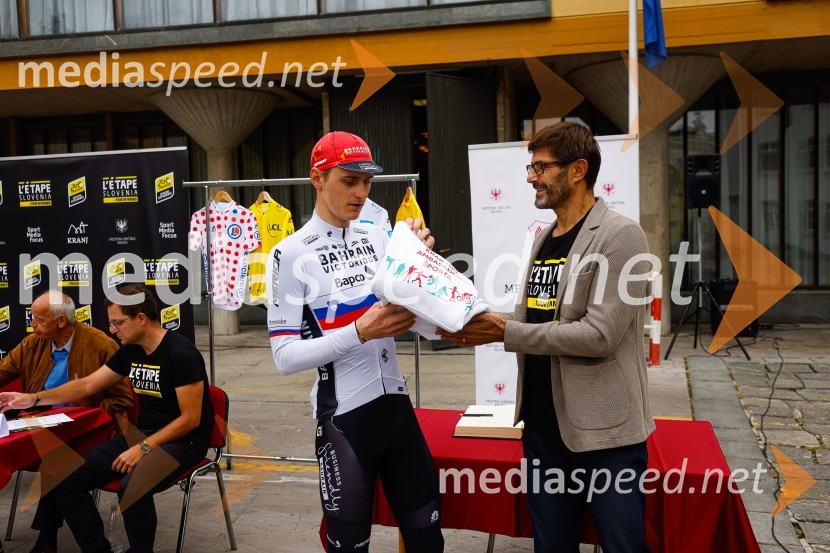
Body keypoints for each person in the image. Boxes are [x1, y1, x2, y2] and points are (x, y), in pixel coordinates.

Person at [438, 122, 655, 553]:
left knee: (622, 546)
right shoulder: (544, 238)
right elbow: (532, 317)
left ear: (577, 170)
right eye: (531, 166)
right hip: (542, 426)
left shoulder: (621, 235)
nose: (531, 176)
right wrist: (476, 323)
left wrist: (506, 330)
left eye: (541, 167)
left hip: (603, 434)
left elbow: (599, 335)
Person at [267, 131, 444, 552]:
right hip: (345, 419)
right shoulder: (290, 253)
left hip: (398, 410)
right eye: (349, 181)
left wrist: (424, 267)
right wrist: (359, 332)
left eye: (367, 183)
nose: (361, 193)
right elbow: (284, 357)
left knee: (428, 540)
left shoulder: (379, 238)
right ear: (317, 178)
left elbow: (421, 321)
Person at [0, 284, 213, 553]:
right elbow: (87, 385)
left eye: (117, 322)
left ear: (140, 318)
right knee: (64, 479)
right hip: (143, 434)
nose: (113, 329)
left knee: (132, 488)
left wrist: (143, 448)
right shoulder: (131, 350)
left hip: (185, 441)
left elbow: (190, 420)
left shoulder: (181, 354)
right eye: (111, 323)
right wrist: (34, 398)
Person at [0, 290, 133, 553]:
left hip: (91, 430)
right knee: (48, 454)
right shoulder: (31, 344)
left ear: (61, 321)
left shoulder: (100, 345)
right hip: (41, 424)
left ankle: (47, 538)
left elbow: (122, 400)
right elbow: (3, 373)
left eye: (39, 320)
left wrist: (83, 416)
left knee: (58, 459)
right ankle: (49, 538)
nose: (32, 325)